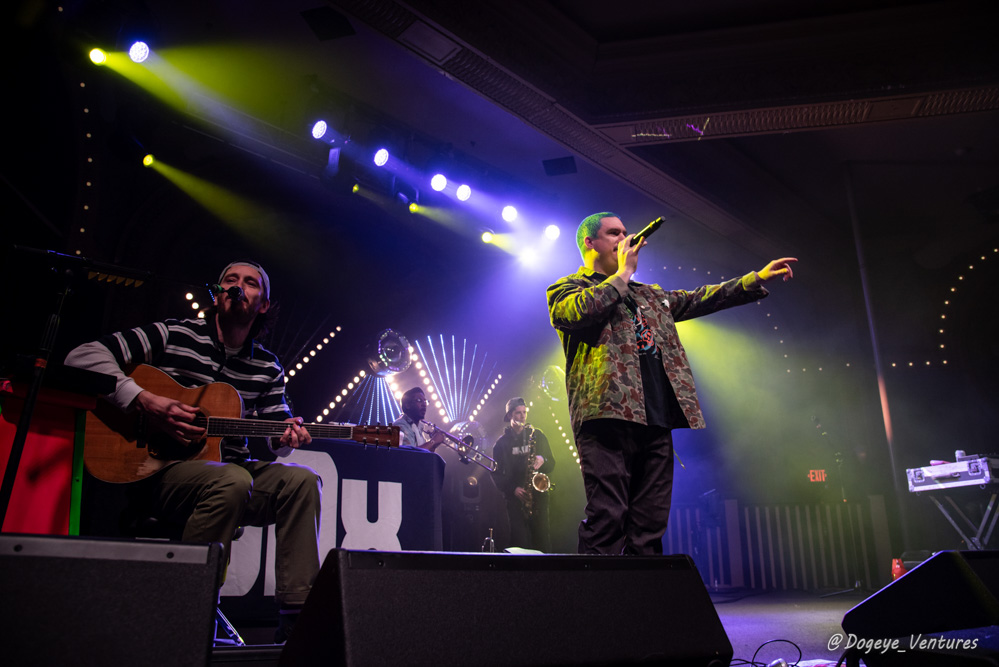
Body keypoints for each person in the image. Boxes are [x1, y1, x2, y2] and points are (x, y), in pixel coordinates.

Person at [64, 260, 321, 643]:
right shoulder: (173, 334)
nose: (238, 286)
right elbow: (80, 357)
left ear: (263, 304)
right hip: (161, 474)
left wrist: (287, 437)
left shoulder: (268, 366)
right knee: (231, 479)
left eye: (250, 283)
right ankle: (191, 604)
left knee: (301, 481)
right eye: (229, 280)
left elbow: (275, 435)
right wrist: (145, 400)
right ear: (217, 295)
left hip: (229, 477)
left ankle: (298, 621)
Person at [546, 212, 796, 555]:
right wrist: (622, 274)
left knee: (649, 525)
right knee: (607, 516)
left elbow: (699, 298)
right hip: (605, 416)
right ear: (590, 242)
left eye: (625, 232)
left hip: (655, 418)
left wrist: (755, 278)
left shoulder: (649, 295)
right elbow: (577, 313)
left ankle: (644, 605)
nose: (625, 237)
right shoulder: (567, 288)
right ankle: (591, 604)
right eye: (614, 233)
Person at [491, 397, 555, 552]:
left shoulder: (537, 435)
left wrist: (543, 459)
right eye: (518, 413)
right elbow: (495, 474)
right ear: (510, 416)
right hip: (515, 499)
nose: (522, 416)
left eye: (524, 412)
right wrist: (513, 489)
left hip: (538, 497)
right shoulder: (501, 444)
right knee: (518, 543)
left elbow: (551, 463)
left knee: (542, 540)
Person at [392, 386, 443, 451]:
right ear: (407, 405)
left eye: (425, 401)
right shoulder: (400, 425)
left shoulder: (418, 427)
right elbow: (409, 454)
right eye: (419, 400)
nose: (424, 404)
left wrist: (434, 445)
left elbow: (423, 455)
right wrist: (432, 442)